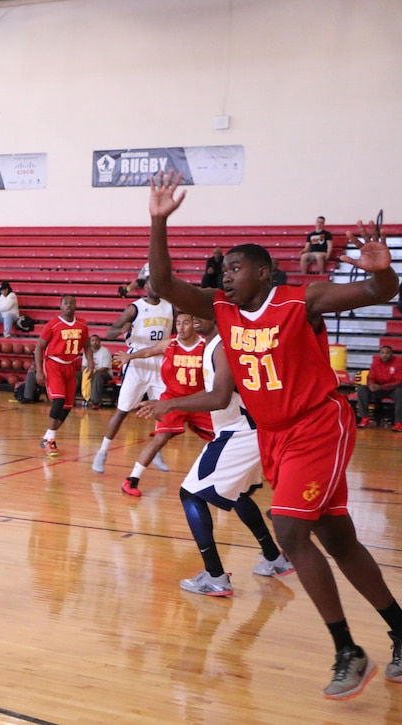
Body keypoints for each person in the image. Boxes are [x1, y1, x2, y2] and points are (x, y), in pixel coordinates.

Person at [147, 168, 402, 699]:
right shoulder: (220, 311)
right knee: (338, 538)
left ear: (264, 272)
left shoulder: (301, 302)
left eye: (237, 268)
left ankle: (347, 651)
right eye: (224, 269)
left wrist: (385, 274)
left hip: (318, 424)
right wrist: (158, 222)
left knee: (288, 529)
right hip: (273, 436)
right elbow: (165, 285)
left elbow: (376, 291)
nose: (227, 276)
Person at [135, 316, 293, 596]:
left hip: (240, 431)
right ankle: (274, 558)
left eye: (199, 313)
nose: (193, 319)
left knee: (191, 495)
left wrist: (168, 404)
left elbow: (220, 397)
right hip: (251, 429)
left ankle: (215, 577)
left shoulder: (222, 346)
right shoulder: (219, 344)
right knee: (240, 495)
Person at [116, 313, 213, 497]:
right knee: (160, 438)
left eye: (186, 323)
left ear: (194, 324)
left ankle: (219, 477)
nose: (182, 327)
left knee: (220, 438)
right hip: (171, 400)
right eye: (178, 323)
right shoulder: (171, 343)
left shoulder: (205, 345)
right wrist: (130, 357)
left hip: (198, 400)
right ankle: (131, 480)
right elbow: (147, 351)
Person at [92, 279, 175, 474]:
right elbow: (109, 332)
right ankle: (102, 452)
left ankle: (157, 452)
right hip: (137, 362)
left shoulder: (171, 308)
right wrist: (120, 331)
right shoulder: (134, 308)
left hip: (160, 362)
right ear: (146, 287)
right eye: (151, 284)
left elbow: (174, 336)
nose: (154, 287)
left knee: (163, 411)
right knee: (122, 411)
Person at [33, 294, 92, 457]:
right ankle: (51, 440)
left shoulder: (82, 324)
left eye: (72, 303)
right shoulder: (53, 324)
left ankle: (46, 437)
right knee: (58, 400)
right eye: (65, 303)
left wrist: (91, 363)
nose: (69, 305)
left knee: (67, 406)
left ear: (76, 305)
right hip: (53, 363)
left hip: (70, 365)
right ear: (60, 306)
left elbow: (87, 346)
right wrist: (39, 370)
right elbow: (39, 348)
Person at [356, 345, 402, 430]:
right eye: (382, 353)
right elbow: (370, 377)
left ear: (392, 354)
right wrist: (371, 385)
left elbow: (399, 383)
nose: (385, 355)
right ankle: (364, 419)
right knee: (362, 388)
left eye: (387, 352)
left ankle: (399, 423)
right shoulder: (376, 362)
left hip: (392, 390)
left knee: (400, 392)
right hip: (379, 389)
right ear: (380, 354)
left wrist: (381, 387)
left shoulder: (398, 362)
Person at [82, 334, 113, 409]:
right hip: (91, 371)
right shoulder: (87, 351)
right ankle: (69, 400)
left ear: (100, 342)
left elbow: (105, 367)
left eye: (96, 340)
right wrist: (86, 372)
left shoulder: (105, 351)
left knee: (97, 376)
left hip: (105, 374)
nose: (94, 342)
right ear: (90, 342)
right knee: (77, 375)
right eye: (92, 341)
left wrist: (93, 372)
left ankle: (95, 402)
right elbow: (83, 366)